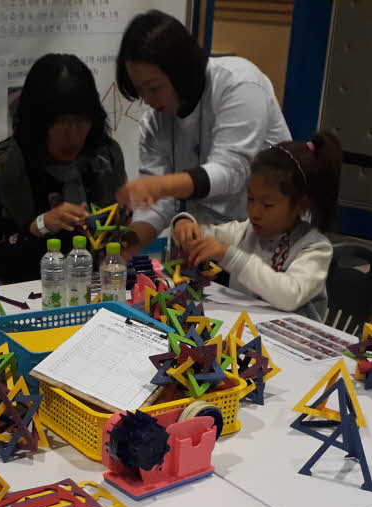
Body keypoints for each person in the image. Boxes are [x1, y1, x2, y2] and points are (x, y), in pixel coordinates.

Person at [115, 10, 290, 254]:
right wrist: (121, 250)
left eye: (153, 88)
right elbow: (158, 207)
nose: (147, 100)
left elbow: (231, 172)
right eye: (139, 90)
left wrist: (160, 185)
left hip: (267, 239)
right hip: (206, 242)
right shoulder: (154, 123)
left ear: (181, 71)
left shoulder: (238, 83)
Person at [0, 53, 127, 283]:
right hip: (27, 290)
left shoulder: (106, 157)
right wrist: (40, 226)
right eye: (60, 122)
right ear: (37, 121)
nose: (73, 135)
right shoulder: (8, 165)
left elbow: (119, 235)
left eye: (82, 120)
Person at [172, 132, 340, 320]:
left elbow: (290, 295)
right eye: (251, 198)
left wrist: (229, 255)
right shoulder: (247, 231)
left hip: (296, 335)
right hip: (247, 329)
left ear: (301, 205)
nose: (254, 212)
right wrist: (184, 224)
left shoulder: (315, 248)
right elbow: (205, 235)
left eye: (267, 205)